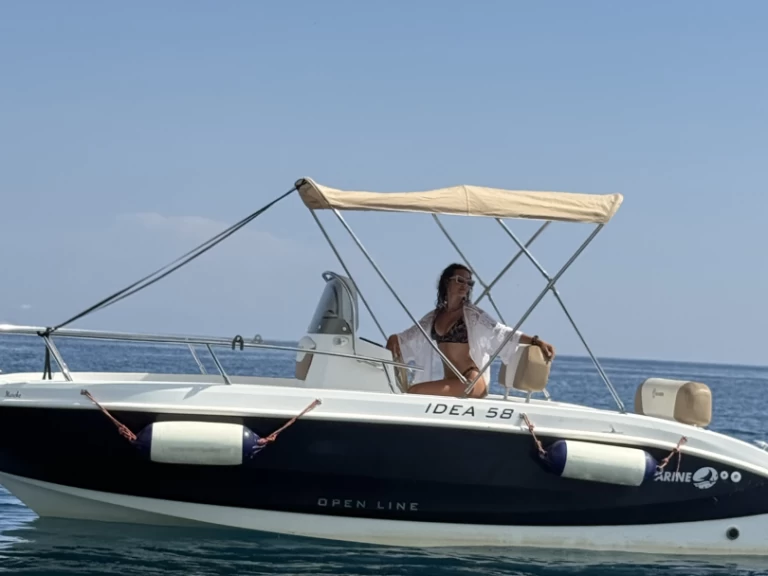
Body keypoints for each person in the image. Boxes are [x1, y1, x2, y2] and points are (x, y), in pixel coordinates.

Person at [386, 263, 555, 399]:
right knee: (411, 391)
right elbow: (409, 337)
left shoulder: (472, 315)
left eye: (469, 282)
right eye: (460, 280)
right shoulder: (434, 316)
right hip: (451, 381)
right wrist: (394, 339)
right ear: (447, 282)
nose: (465, 285)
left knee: (415, 392)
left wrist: (536, 341)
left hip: (471, 381)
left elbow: (502, 332)